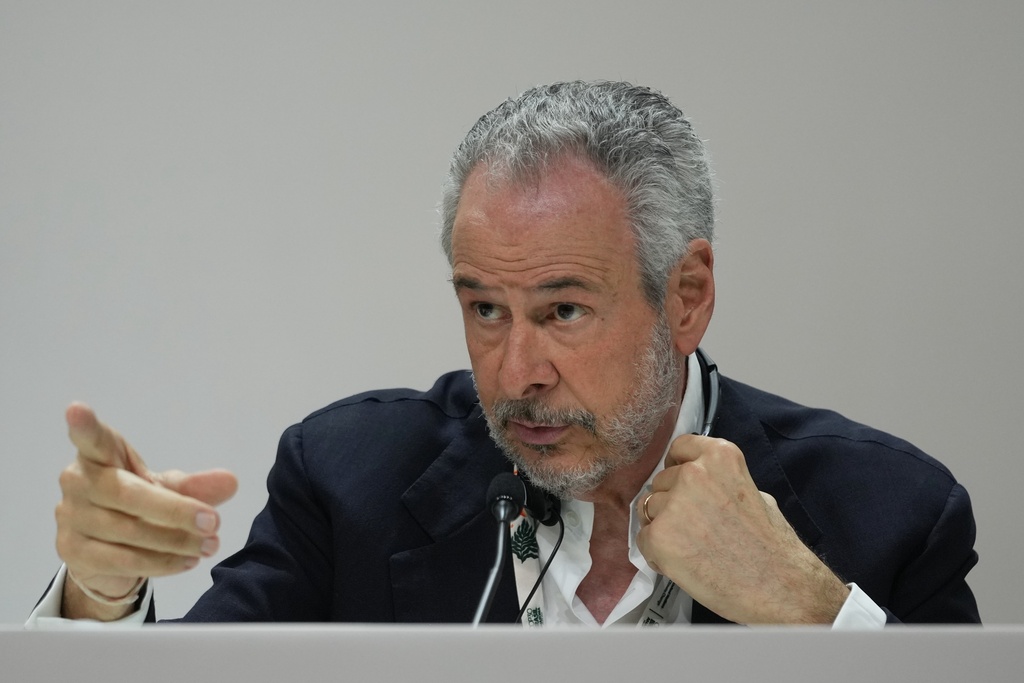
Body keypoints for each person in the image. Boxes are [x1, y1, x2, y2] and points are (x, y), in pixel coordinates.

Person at [30, 81, 979, 627]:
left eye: (563, 309)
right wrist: (103, 591)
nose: (515, 369)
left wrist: (813, 614)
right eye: (484, 307)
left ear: (686, 297)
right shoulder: (351, 480)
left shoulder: (892, 513)